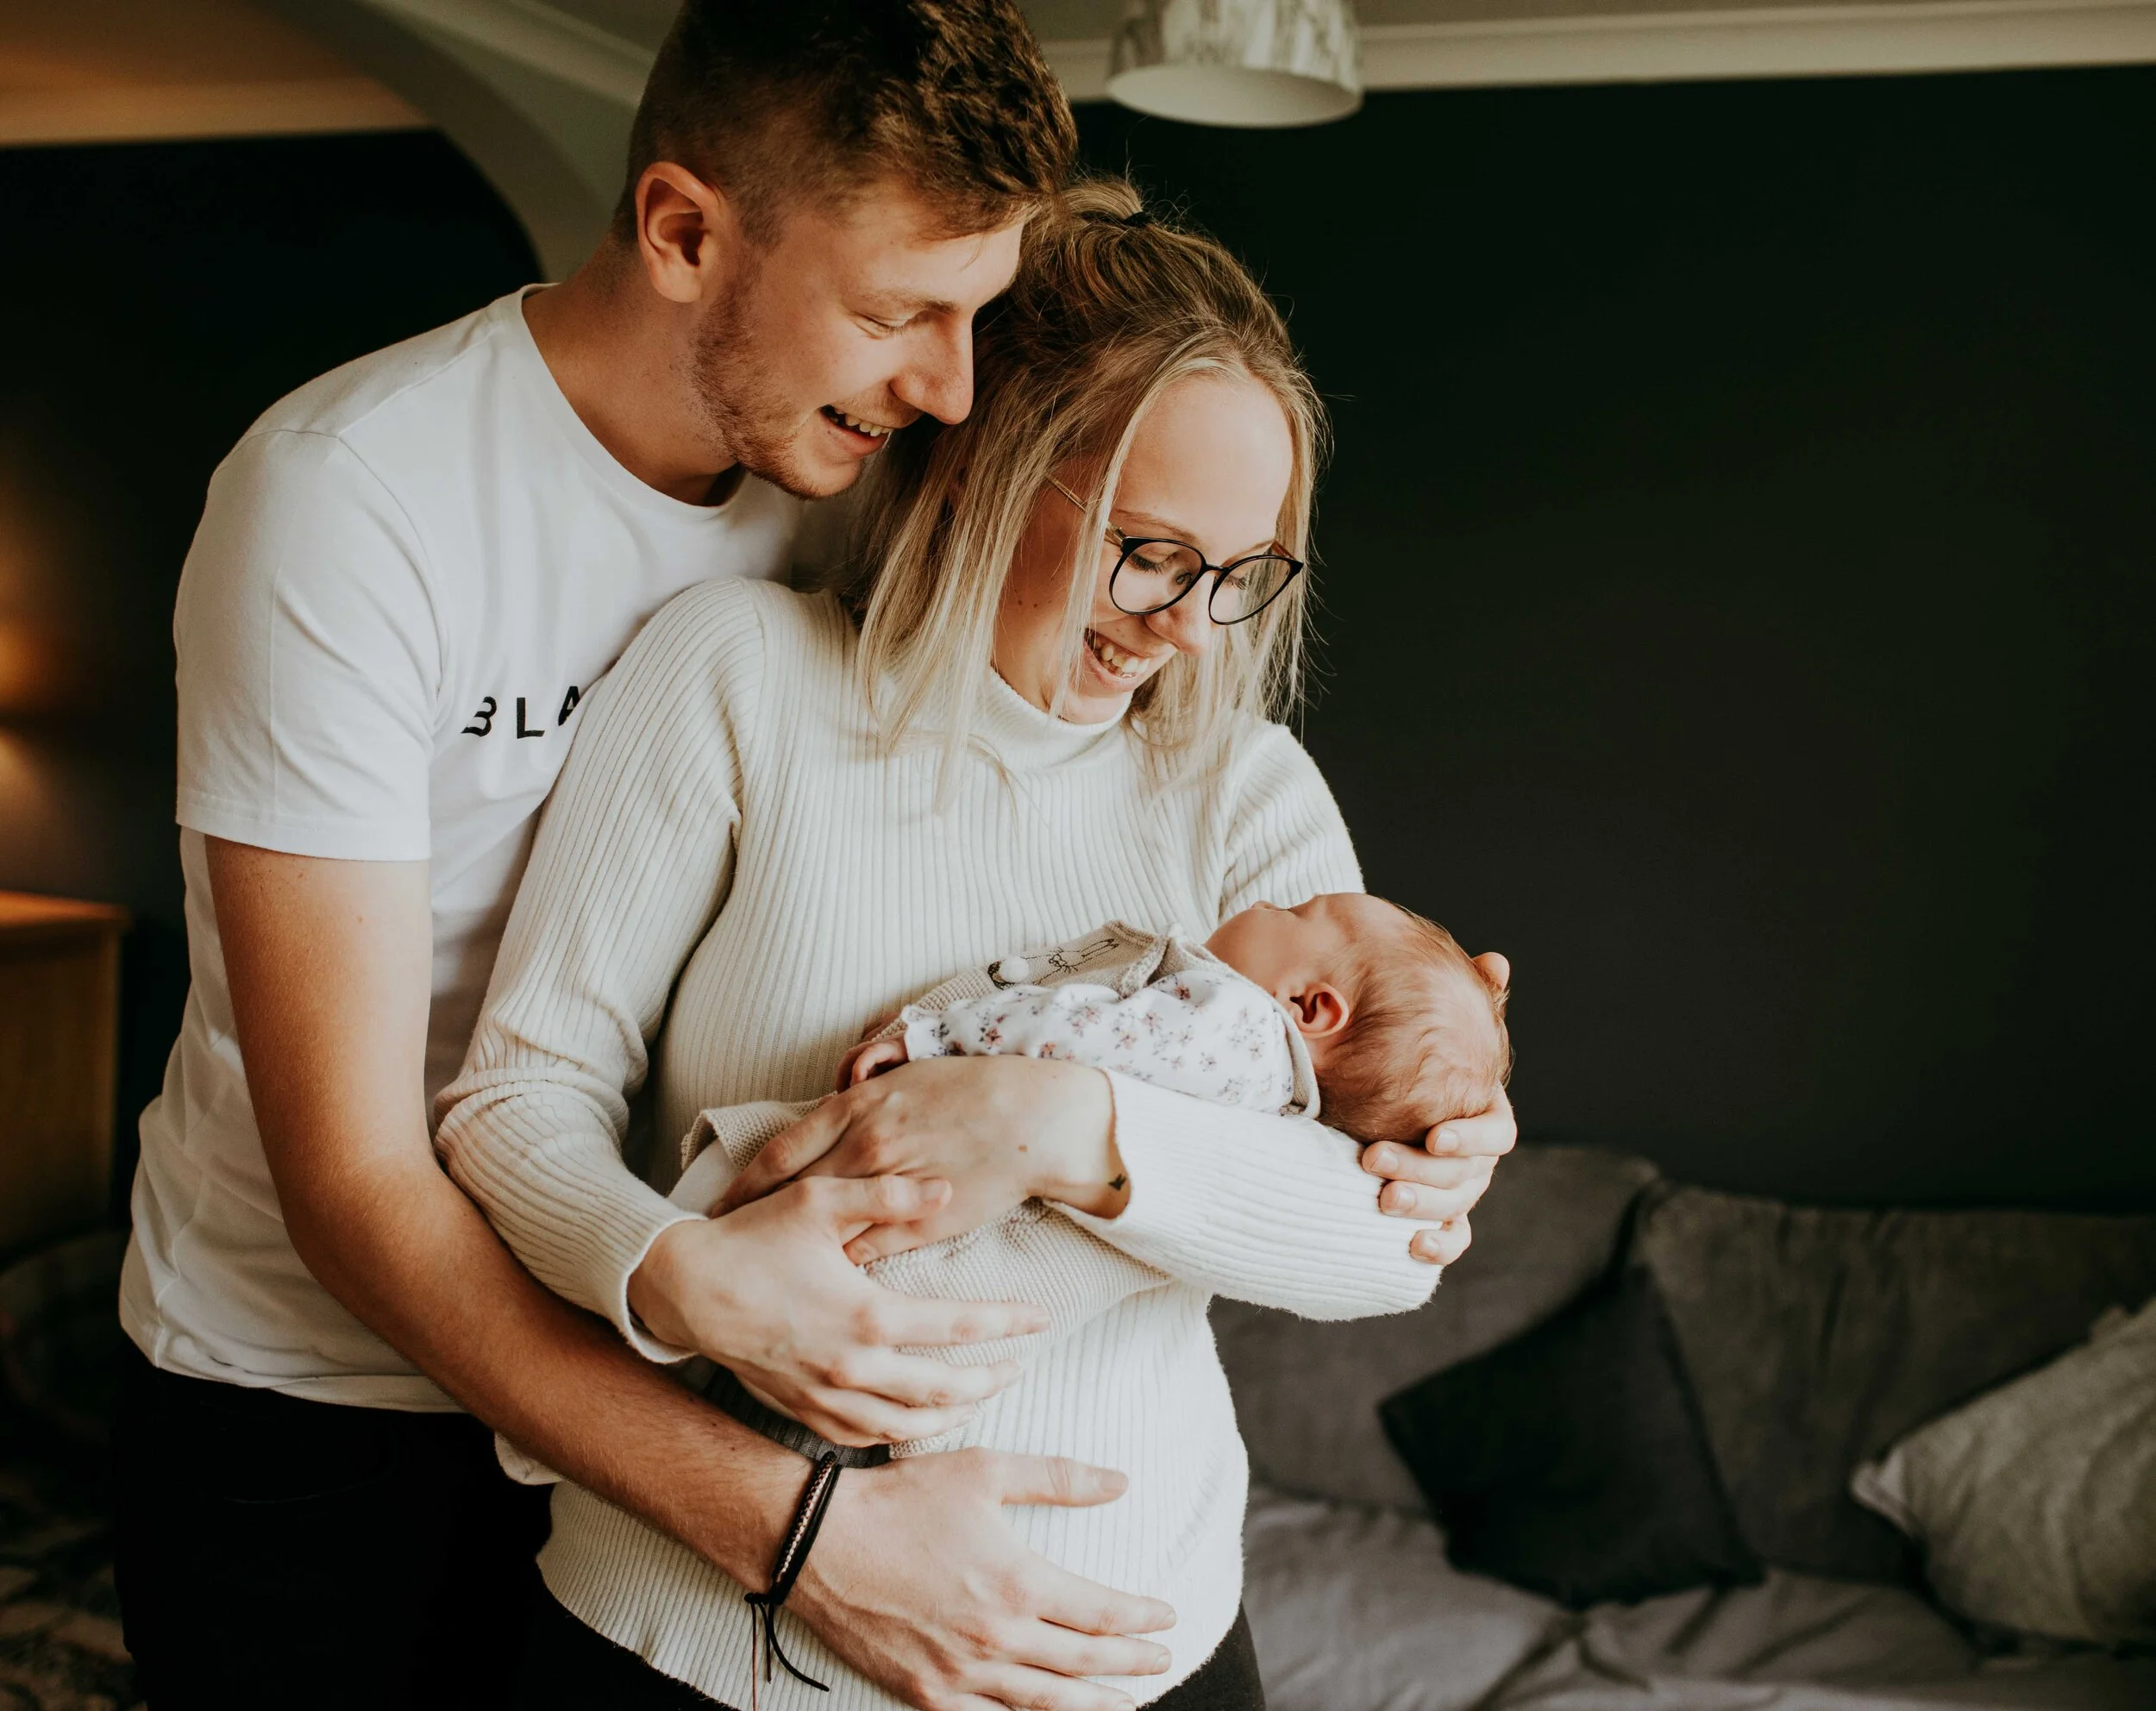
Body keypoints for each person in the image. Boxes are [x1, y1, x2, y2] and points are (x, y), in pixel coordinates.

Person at [112, 3, 1510, 1707]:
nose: (941, 380)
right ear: (682, 234)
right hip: (335, 1374)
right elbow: (368, 1177)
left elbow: (1368, 1203)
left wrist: (1315, 1104)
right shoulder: (371, 510)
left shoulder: (859, 465)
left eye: (974, 318)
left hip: (848, 1486)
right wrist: (772, 1463)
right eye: (898, 314)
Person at [434, 177, 1519, 1711]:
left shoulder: (1240, 783)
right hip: (698, 1626)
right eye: (1149, 549)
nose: (1189, 628)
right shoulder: (738, 684)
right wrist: (676, 1272)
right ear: (986, 464)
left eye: (1240, 573)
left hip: (1128, 1646)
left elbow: (1380, 1238)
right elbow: (515, 1099)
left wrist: (1053, 1123)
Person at [835, 894, 1512, 1145]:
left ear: (1309, 1007)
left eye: (1294, 911)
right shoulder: (1273, 1102)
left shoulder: (1236, 1025)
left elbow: (1079, 1030)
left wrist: (931, 1037)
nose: (1269, 901)